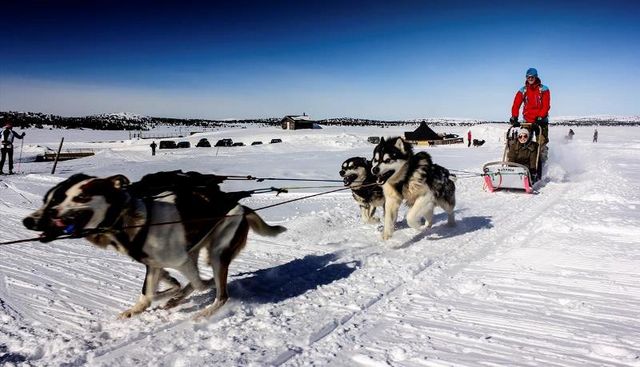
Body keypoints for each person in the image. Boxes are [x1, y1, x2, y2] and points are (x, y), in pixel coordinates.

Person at [510, 67, 551, 146]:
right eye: (528, 77)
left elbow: (546, 105)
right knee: (523, 141)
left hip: (541, 121)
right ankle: (525, 157)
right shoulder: (523, 90)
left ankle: (542, 157)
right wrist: (514, 116)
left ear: (536, 77)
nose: (530, 79)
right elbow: (516, 105)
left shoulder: (544, 89)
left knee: (541, 143)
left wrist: (540, 116)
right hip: (527, 121)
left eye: (532, 77)